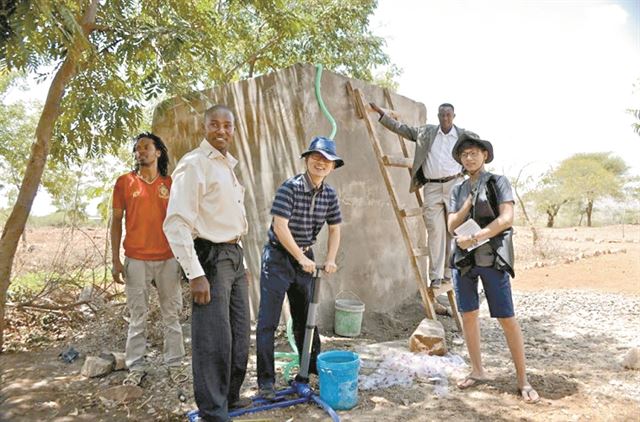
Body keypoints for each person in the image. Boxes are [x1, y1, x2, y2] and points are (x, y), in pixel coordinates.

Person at [163, 105, 250, 422]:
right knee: (214, 338)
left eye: (228, 125)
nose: (222, 130)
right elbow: (175, 223)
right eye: (215, 125)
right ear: (205, 128)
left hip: (234, 255)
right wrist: (195, 273)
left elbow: (230, 218)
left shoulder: (227, 166)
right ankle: (213, 411)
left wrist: (243, 262)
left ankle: (229, 398)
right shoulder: (195, 164)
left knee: (239, 335)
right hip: (210, 258)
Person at [447, 133, 540, 404]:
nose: (470, 157)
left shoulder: (499, 182)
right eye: (464, 154)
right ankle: (477, 371)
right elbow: (451, 224)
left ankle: (523, 380)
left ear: (485, 155)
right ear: (461, 161)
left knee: (506, 318)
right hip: (464, 261)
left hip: (491, 258)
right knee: (468, 315)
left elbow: (507, 218)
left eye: (475, 152)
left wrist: (477, 237)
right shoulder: (457, 189)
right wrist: (468, 202)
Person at [256, 136, 343, 400]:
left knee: (306, 318)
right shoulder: (290, 188)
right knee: (268, 322)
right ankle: (266, 383)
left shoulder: (329, 194)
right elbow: (280, 227)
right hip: (279, 256)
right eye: (316, 157)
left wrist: (330, 258)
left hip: (305, 254)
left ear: (332, 167)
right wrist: (300, 257)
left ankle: (307, 373)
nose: (321, 163)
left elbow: (335, 228)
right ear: (307, 160)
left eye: (327, 160)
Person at [370, 102, 473, 289]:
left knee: (453, 230)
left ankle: (449, 272)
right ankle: (435, 276)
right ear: (438, 116)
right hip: (432, 187)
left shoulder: (463, 136)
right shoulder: (427, 132)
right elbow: (404, 130)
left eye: (449, 115)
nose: (445, 118)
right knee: (435, 231)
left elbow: (478, 152)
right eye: (442, 115)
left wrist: (470, 176)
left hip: (454, 185)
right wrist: (382, 115)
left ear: (454, 116)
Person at [111, 132, 185, 386]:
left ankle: (175, 365)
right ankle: (136, 368)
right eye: (137, 148)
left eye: (146, 147)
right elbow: (115, 223)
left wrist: (185, 258)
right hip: (136, 260)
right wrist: (115, 260)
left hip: (168, 259)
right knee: (137, 316)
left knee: (171, 315)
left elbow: (181, 223)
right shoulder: (124, 182)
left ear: (158, 152)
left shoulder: (171, 183)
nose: (140, 151)